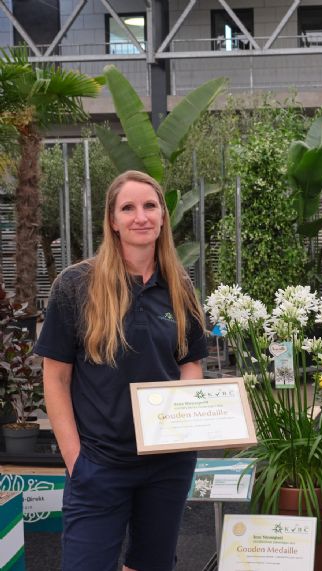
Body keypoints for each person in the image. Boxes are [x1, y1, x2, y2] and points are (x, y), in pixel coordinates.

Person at [34, 170, 208, 571]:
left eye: (150, 206)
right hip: (99, 463)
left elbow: (190, 364)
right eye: (127, 208)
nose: (140, 216)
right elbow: (56, 377)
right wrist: (75, 458)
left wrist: (188, 426)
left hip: (167, 464)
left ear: (163, 215)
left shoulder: (179, 284)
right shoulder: (76, 285)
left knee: (151, 564)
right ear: (112, 220)